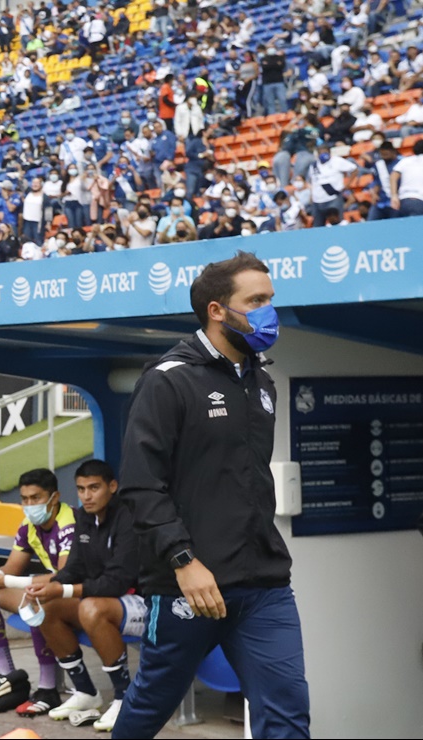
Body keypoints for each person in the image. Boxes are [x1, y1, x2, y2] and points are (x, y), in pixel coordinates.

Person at [113, 252, 310, 738]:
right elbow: (141, 482)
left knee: (288, 712)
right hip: (189, 584)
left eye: (271, 299)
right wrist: (184, 560)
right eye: (257, 300)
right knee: (151, 706)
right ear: (217, 310)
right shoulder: (168, 380)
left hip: (264, 584)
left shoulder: (262, 382)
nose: (270, 311)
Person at [21, 460, 141, 732]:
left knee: (90, 609)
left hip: (145, 603)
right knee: (47, 607)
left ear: (112, 487)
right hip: (105, 600)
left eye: (94, 488)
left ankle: (125, 697)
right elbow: (74, 567)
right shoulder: (85, 516)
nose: (87, 495)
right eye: (81, 489)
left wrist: (62, 588)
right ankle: (86, 692)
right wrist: (47, 587)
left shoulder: (128, 517)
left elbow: (117, 581)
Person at [0, 468, 76, 716]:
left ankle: (48, 689)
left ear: (54, 497)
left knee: (35, 599)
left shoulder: (69, 523)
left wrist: (15, 581)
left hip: (77, 591)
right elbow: (12, 568)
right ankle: (8, 677)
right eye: (25, 499)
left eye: (35, 498)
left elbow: (66, 573)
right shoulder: (29, 524)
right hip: (50, 588)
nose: (29, 505)